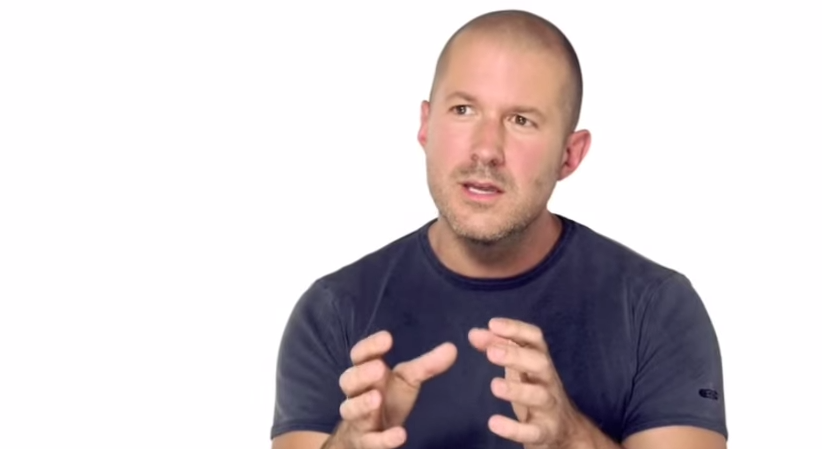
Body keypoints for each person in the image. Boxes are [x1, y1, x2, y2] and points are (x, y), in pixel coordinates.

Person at [270, 9, 727, 449]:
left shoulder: (655, 309)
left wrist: (571, 441)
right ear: (426, 126)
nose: (486, 149)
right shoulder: (334, 311)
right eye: (463, 109)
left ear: (570, 155)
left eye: (521, 120)